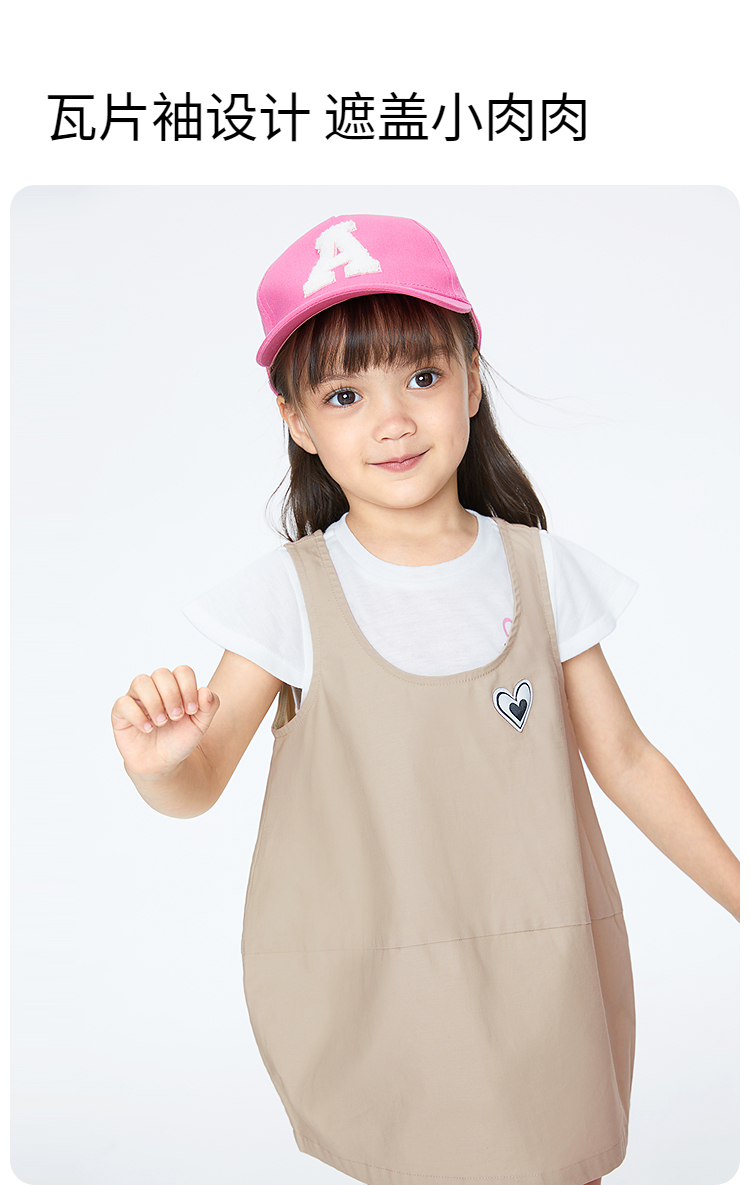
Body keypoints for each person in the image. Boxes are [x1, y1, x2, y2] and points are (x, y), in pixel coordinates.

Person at [111, 214, 739, 1185]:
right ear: (297, 421)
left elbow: (626, 758)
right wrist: (161, 766)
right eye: (345, 393)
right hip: (383, 995)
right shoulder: (291, 593)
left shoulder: (541, 572)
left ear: (472, 381)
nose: (393, 419)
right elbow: (199, 783)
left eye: (423, 376)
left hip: (540, 987)